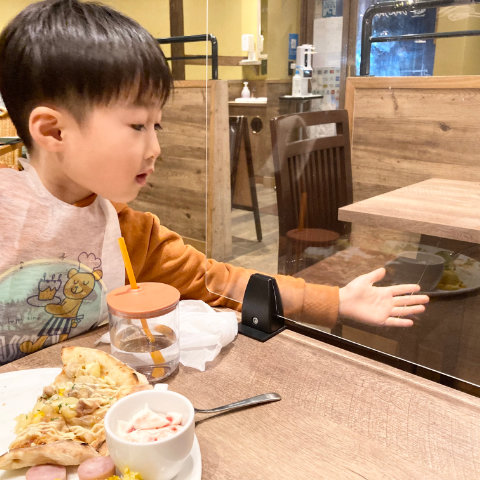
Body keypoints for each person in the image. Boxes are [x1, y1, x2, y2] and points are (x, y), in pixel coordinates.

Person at [0, 0, 428, 364]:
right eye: (137, 126)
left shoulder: (129, 233)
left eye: (157, 127)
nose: (155, 148)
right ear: (53, 131)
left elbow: (217, 280)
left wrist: (333, 302)